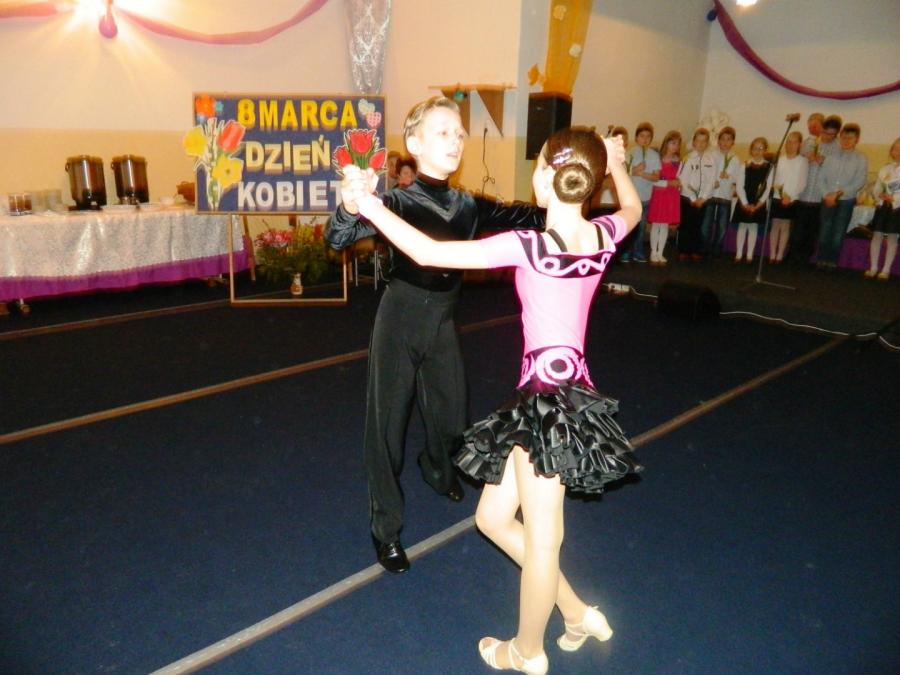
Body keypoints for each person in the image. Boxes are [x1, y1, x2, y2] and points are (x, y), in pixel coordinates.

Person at [345, 126, 642, 675]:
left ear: (545, 178)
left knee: (545, 539)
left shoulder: (531, 245)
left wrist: (368, 205)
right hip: (566, 395)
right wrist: (619, 165)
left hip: (549, 406)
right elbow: (633, 209)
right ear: (592, 181)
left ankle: (527, 650)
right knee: (493, 517)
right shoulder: (603, 235)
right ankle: (578, 614)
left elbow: (429, 251)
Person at [326, 96, 545, 573]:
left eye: (459, 133)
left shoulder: (467, 203)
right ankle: (386, 529)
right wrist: (347, 205)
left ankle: (436, 467)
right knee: (386, 429)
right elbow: (337, 237)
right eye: (443, 131)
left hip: (444, 320)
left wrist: (566, 203)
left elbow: (524, 216)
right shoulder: (396, 201)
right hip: (400, 317)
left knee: (453, 422)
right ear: (415, 143)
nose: (456, 140)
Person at [789, 114, 841, 264]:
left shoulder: (837, 147)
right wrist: (806, 156)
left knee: (813, 230)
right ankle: (792, 256)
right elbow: (798, 157)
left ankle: (806, 258)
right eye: (810, 126)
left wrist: (823, 161)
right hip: (804, 192)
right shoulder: (809, 142)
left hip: (820, 195)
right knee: (798, 228)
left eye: (816, 126)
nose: (814, 129)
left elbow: (837, 170)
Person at [815, 123, 868, 269]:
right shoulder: (830, 157)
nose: (846, 141)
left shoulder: (861, 158)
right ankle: (821, 259)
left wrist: (838, 194)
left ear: (857, 139)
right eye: (844, 137)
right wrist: (827, 194)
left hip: (846, 200)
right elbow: (821, 178)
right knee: (824, 229)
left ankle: (832, 261)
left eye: (850, 138)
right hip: (827, 198)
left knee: (839, 231)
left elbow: (859, 181)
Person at [620, 121, 660, 263]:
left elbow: (656, 177)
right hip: (631, 197)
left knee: (641, 226)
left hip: (645, 197)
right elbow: (624, 173)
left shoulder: (654, 155)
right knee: (629, 225)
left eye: (648, 136)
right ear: (636, 138)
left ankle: (638, 251)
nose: (645, 139)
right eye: (642, 136)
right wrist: (636, 169)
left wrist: (642, 174)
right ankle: (625, 251)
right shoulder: (630, 153)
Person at [769, 131, 809, 263]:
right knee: (775, 225)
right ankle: (772, 254)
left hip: (791, 198)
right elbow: (773, 179)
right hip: (778, 196)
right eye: (788, 142)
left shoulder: (802, 161)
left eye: (794, 142)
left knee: (785, 226)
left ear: (799, 145)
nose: (790, 145)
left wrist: (790, 196)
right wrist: (781, 194)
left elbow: (802, 183)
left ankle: (780, 254)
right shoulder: (779, 160)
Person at [731, 137, 772, 264]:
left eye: (761, 148)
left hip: (758, 202)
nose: (757, 151)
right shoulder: (745, 165)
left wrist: (759, 204)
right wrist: (744, 203)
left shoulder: (769, 167)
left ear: (765, 150)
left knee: (753, 227)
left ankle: (749, 254)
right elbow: (739, 186)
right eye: (755, 148)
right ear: (751, 150)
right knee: (742, 226)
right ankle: (739, 253)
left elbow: (768, 188)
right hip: (745, 200)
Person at [678, 128, 716, 261]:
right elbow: (683, 179)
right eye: (698, 141)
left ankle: (694, 250)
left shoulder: (711, 159)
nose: (701, 144)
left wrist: (703, 197)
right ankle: (683, 250)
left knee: (698, 225)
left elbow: (711, 180)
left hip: (702, 199)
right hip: (688, 197)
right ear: (693, 142)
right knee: (686, 225)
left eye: (704, 141)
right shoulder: (688, 158)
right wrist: (693, 198)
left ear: (707, 143)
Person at [646, 130, 682, 265]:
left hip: (671, 195)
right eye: (673, 143)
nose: (675, 147)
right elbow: (654, 180)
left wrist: (679, 183)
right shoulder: (658, 159)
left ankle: (660, 252)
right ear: (666, 143)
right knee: (656, 224)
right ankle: (653, 252)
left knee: (665, 225)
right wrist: (668, 183)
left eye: (677, 144)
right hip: (659, 194)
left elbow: (680, 177)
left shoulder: (678, 161)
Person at [866, 137, 900, 280]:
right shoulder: (886, 168)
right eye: (895, 148)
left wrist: (894, 198)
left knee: (892, 237)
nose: (897, 151)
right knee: (877, 235)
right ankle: (873, 267)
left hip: (896, 208)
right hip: (883, 206)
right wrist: (878, 195)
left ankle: (886, 269)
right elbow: (878, 187)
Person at [701, 126, 738, 258]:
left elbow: (737, 177)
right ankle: (704, 247)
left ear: (733, 142)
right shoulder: (711, 155)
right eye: (723, 139)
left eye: (728, 139)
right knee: (706, 222)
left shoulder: (735, 158)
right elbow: (707, 172)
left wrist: (728, 176)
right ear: (718, 141)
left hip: (725, 195)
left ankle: (717, 249)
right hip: (710, 193)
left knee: (722, 225)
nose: (725, 142)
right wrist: (714, 180)